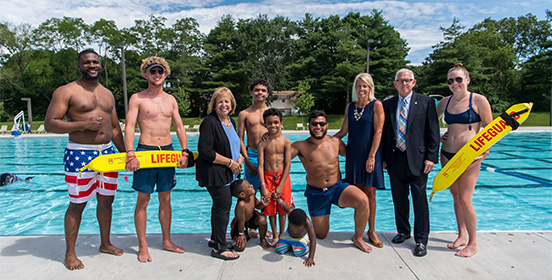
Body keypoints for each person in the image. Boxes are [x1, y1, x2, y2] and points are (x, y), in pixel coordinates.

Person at [44, 49, 126, 270]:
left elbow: (116, 127)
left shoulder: (107, 93)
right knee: (78, 203)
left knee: (106, 200)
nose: (92, 65)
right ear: (79, 65)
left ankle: (105, 243)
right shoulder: (67, 91)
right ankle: (70, 253)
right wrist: (82, 125)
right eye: (87, 62)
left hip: (108, 153)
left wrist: (126, 154)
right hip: (80, 153)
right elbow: (51, 123)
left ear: (101, 65)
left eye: (96, 62)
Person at [124, 56, 190, 262]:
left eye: (160, 71)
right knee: (143, 200)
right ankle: (142, 245)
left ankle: (166, 240)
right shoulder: (137, 98)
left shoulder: (171, 100)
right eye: (152, 71)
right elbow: (129, 126)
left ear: (165, 74)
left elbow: (179, 127)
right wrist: (130, 153)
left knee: (166, 198)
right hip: (145, 151)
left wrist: (185, 151)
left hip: (168, 152)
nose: (157, 74)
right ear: (145, 74)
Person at [291, 110, 372, 253]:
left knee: (363, 200)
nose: (318, 127)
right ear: (309, 126)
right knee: (321, 235)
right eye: (314, 124)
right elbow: (279, 158)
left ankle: (358, 238)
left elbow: (355, 155)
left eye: (321, 123)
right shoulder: (300, 146)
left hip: (337, 188)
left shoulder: (336, 142)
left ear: (326, 125)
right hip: (317, 193)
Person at [381, 68, 440, 257]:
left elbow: (433, 132)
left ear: (414, 83)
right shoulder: (387, 104)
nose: (404, 84)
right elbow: (385, 134)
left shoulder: (426, 102)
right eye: (401, 80)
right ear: (395, 84)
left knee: (419, 200)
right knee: (399, 198)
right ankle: (403, 231)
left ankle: (421, 239)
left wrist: (431, 157)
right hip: (395, 158)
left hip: (419, 159)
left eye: (408, 80)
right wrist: (383, 157)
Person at [436, 63, 492, 257]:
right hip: (447, 154)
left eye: (458, 79)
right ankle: (461, 235)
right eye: (451, 80)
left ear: (467, 80)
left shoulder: (478, 100)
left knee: (466, 199)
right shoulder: (444, 102)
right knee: (455, 195)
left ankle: (473, 243)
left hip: (469, 156)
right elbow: (429, 123)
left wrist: (484, 153)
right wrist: (439, 136)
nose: (454, 83)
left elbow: (491, 130)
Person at [334, 73, 385, 248]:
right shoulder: (351, 107)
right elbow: (343, 131)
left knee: (370, 193)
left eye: (365, 86)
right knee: (359, 195)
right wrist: (326, 141)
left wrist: (371, 156)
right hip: (353, 156)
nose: (361, 89)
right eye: (358, 86)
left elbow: (378, 132)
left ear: (370, 87)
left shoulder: (376, 105)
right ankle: (359, 233)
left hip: (371, 155)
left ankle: (371, 231)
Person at [196, 87, 244, 260]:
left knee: (219, 207)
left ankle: (216, 239)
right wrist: (230, 162)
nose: (224, 104)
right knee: (223, 206)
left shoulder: (230, 121)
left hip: (227, 171)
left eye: (227, 101)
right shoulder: (210, 122)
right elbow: (205, 151)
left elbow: (233, 144)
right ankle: (219, 248)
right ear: (214, 105)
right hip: (214, 173)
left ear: (232, 104)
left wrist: (238, 157)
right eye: (220, 101)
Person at [257, 108, 292, 246]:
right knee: (270, 208)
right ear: (265, 125)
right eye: (269, 123)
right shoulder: (263, 143)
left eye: (276, 122)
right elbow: (260, 166)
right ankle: (275, 235)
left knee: (283, 209)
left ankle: (283, 234)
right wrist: (263, 186)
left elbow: (288, 165)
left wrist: (281, 185)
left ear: (281, 123)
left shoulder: (286, 142)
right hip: (268, 177)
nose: (273, 126)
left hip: (283, 177)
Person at [238, 78, 270, 193]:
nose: (260, 93)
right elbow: (240, 138)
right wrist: (246, 160)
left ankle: (267, 212)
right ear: (251, 92)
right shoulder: (244, 114)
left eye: (263, 90)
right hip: (251, 154)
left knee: (269, 190)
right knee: (249, 192)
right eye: (256, 90)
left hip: (269, 154)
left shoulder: (271, 113)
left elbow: (278, 136)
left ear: (267, 94)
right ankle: (251, 211)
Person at [274, 196, 317, 267]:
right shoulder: (291, 213)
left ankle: (306, 244)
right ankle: (291, 245)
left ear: (303, 226)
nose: (294, 231)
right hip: (288, 235)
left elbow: (313, 239)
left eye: (297, 230)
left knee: (298, 253)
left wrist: (310, 257)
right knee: (279, 249)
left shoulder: (307, 223)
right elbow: (285, 207)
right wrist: (278, 199)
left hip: (300, 238)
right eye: (292, 228)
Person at [229, 179, 270, 251]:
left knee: (262, 220)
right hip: (240, 225)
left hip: (251, 218)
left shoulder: (251, 196)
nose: (252, 186)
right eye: (249, 186)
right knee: (240, 248)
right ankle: (232, 242)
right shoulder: (241, 205)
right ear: (242, 194)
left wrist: (263, 204)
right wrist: (241, 235)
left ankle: (262, 239)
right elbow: (241, 222)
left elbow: (258, 206)